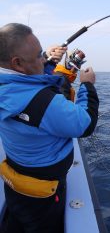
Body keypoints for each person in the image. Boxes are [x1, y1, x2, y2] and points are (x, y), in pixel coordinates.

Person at [0, 23, 99, 233]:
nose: (43, 57)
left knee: (16, 221)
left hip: (15, 180)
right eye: (38, 55)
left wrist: (45, 60)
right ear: (17, 62)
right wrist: (87, 85)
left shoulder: (6, 85)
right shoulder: (43, 102)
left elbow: (28, 79)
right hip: (43, 194)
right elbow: (85, 123)